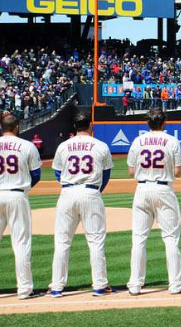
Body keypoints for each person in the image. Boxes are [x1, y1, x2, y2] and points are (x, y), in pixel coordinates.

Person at [49, 111, 114, 297]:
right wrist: (95, 190)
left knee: (62, 241)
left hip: (67, 192)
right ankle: (100, 285)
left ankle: (56, 287)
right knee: (95, 241)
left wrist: (69, 186)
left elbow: (57, 173)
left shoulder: (64, 146)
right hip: (91, 191)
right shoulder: (100, 145)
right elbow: (106, 174)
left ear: (74, 126)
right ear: (90, 125)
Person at [126, 108, 181, 296]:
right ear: (164, 122)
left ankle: (135, 284)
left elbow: (130, 172)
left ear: (147, 123)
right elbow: (177, 172)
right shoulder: (172, 141)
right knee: (170, 239)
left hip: (142, 188)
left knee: (139, 239)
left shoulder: (138, 141)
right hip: (163, 188)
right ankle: (175, 285)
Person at [0, 114, 42, 299]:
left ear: (1, 127)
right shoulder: (27, 146)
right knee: (21, 243)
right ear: (17, 127)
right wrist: (25, 187)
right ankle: (24, 289)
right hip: (17, 194)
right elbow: (36, 174)